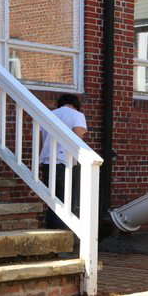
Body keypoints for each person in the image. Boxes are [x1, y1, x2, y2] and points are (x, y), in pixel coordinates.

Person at [40, 94, 87, 229]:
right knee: (66, 203)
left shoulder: (49, 114)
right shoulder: (76, 115)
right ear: (75, 105)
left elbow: (41, 140)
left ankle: (50, 234)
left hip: (48, 163)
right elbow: (78, 137)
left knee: (53, 202)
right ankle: (62, 236)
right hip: (64, 163)